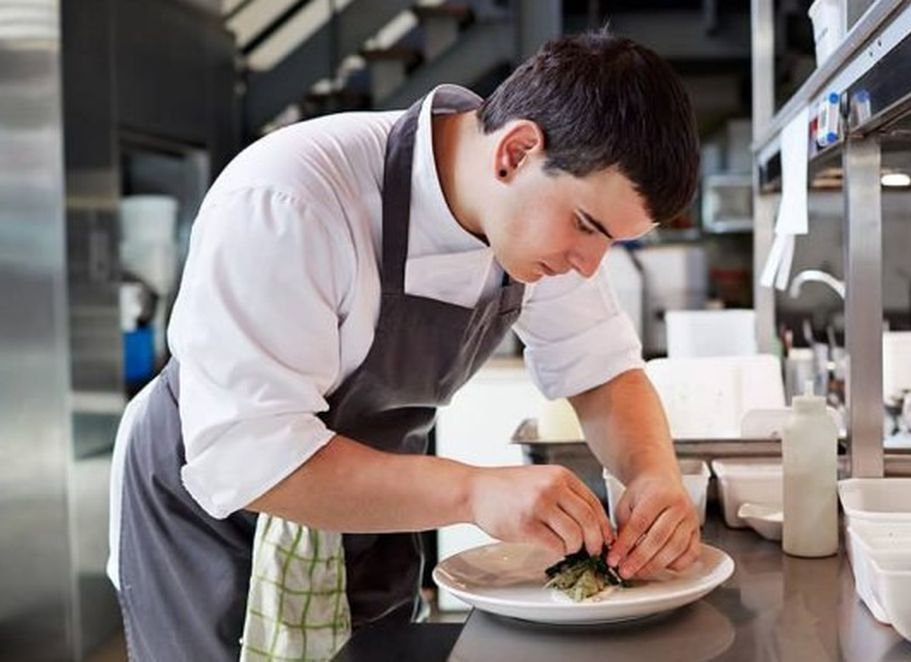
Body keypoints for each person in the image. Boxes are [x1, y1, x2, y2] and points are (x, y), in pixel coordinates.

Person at [108, 31, 702, 660]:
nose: (589, 266)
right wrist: (475, 491)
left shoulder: (539, 225)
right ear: (517, 152)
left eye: (613, 242)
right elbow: (248, 455)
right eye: (588, 227)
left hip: (368, 504)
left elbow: (604, 374)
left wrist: (655, 476)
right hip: (211, 517)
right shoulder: (290, 196)